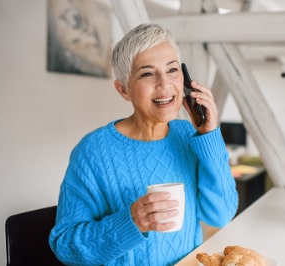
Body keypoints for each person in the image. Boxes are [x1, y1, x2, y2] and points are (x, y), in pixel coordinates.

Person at [49, 23, 238, 266]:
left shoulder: (190, 136)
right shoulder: (93, 152)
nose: (164, 83)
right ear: (123, 90)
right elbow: (65, 247)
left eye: (172, 70)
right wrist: (132, 222)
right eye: (147, 73)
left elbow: (221, 215)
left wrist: (210, 136)